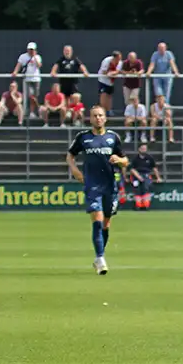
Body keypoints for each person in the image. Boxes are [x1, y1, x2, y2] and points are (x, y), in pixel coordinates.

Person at [65, 106, 129, 274]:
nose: (98, 118)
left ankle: (99, 255)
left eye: (101, 115)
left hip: (110, 186)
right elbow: (70, 155)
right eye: (95, 116)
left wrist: (119, 160)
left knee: (106, 224)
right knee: (98, 220)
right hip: (92, 185)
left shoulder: (113, 137)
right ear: (90, 119)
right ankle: (100, 258)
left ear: (105, 118)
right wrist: (75, 170)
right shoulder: (83, 137)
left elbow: (126, 160)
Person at [129, 143, 160, 210]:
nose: (144, 150)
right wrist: (138, 176)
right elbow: (132, 169)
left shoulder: (149, 158)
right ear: (139, 149)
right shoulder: (135, 158)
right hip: (136, 176)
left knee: (146, 189)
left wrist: (158, 177)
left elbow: (154, 168)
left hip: (146, 175)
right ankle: (138, 206)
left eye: (145, 149)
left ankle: (145, 206)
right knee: (137, 191)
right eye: (142, 148)